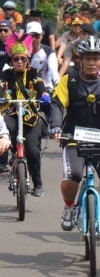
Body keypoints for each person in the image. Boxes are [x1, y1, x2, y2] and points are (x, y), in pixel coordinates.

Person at [49, 36, 100, 237]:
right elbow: (57, 104)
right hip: (73, 139)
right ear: (79, 60)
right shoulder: (70, 80)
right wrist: (56, 126)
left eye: (96, 58)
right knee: (72, 176)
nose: (92, 63)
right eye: (87, 58)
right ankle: (69, 207)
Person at [1, 33, 49, 196]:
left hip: (30, 117)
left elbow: (40, 85)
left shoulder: (34, 73)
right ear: (11, 60)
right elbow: (1, 86)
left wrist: (43, 94)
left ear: (28, 59)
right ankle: (10, 156)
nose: (19, 62)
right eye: (16, 59)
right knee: (4, 132)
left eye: (23, 59)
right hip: (11, 114)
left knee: (33, 151)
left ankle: (38, 183)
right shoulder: (5, 74)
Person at [27, 21, 59, 92]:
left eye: (37, 36)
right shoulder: (21, 52)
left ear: (41, 36)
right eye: (31, 36)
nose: (34, 39)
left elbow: (53, 71)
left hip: (45, 88)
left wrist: (57, 83)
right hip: (26, 88)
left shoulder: (49, 52)